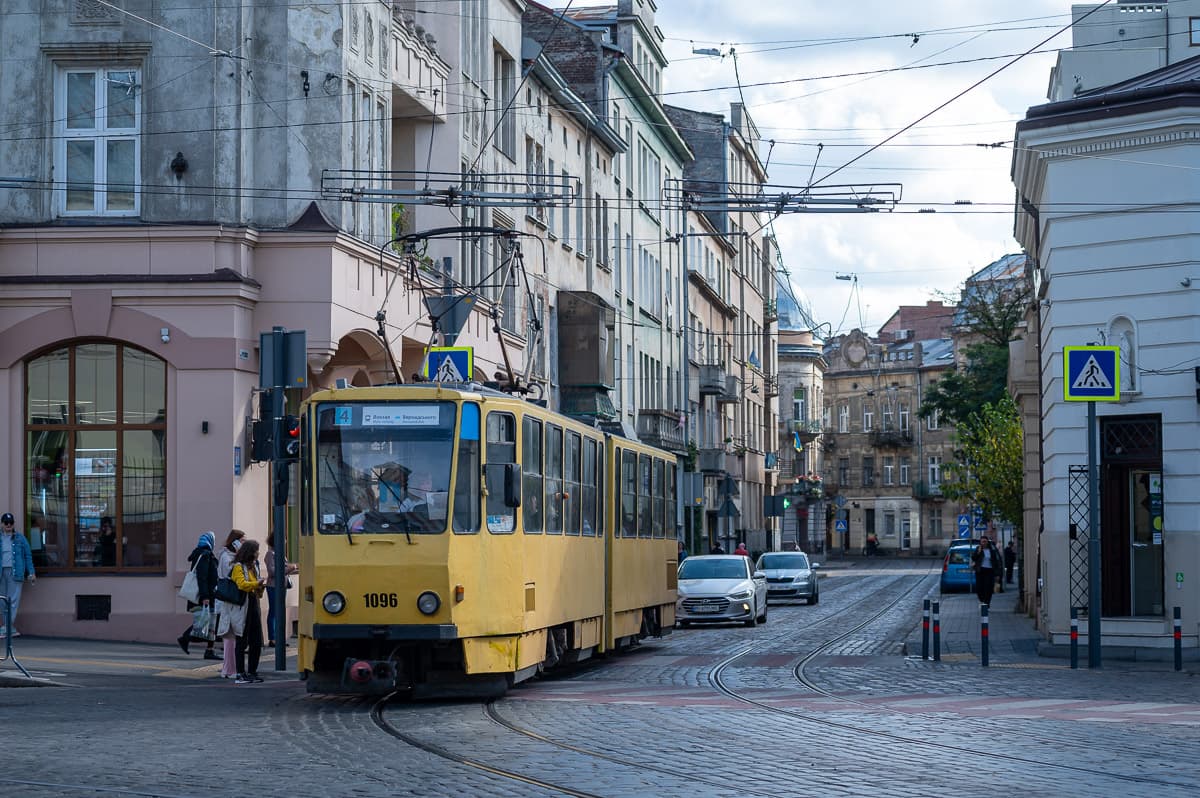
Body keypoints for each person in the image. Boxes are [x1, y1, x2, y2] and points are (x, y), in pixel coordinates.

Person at [228, 539, 267, 684]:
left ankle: (252, 671)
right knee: (242, 640)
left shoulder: (253, 567)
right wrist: (257, 583)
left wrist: (260, 586)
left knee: (256, 641)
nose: (258, 553)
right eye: (256, 551)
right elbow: (242, 584)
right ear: (250, 552)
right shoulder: (238, 567)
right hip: (243, 605)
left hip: (253, 603)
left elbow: (254, 587)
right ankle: (240, 673)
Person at [177, 532, 220, 660]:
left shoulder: (202, 554)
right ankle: (186, 638)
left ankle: (209, 650)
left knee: (210, 622)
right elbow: (202, 577)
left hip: (209, 593)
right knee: (205, 622)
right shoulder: (205, 555)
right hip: (206, 595)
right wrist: (205, 596)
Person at [215, 529, 245, 678]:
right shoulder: (226, 556)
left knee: (231, 637)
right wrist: (240, 555)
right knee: (230, 636)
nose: (243, 543)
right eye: (242, 540)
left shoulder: (231, 556)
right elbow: (230, 572)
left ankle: (228, 669)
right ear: (235, 541)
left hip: (232, 599)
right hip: (229, 599)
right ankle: (229, 669)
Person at [0, 512, 36, 638]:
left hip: (16, 572)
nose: (8, 525)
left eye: (11, 523)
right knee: (2, 600)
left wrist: (31, 572)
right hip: (1, 573)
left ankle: (7, 627)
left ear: (13, 524)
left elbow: (28, 556)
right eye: (6, 523)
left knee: (13, 600)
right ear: (2, 524)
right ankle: (9, 627)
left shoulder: (20, 538)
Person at [264, 537, 298, 648]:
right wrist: (290, 568)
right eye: (283, 539)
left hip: (282, 586)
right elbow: (272, 571)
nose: (285, 541)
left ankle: (279, 637)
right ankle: (273, 638)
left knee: (280, 612)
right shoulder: (270, 554)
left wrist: (290, 568)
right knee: (274, 611)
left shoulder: (280, 553)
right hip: (274, 586)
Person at [972, 535, 1003, 605]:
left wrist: (997, 574)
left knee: (988, 588)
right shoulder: (978, 549)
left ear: (987, 542)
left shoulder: (991, 551)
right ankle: (982, 600)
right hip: (980, 571)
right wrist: (978, 552)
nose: (984, 543)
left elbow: (996, 563)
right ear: (980, 542)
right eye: (982, 542)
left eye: (985, 541)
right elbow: (973, 558)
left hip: (989, 571)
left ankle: (987, 603)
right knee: (979, 588)